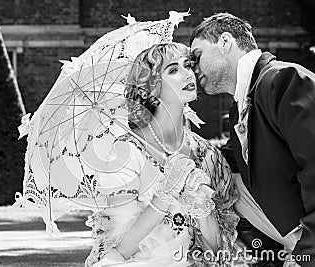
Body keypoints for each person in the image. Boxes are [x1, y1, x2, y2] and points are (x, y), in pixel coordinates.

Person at [85, 43, 241, 267]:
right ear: (151, 88)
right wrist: (165, 196)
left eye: (187, 65)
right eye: (173, 70)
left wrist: (202, 207)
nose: (188, 73)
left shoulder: (208, 155)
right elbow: (117, 251)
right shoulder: (125, 153)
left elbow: (219, 251)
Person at [190, 13, 315, 267]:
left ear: (224, 42)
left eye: (197, 56)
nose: (193, 67)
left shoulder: (285, 80)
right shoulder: (240, 107)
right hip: (289, 243)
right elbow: (228, 168)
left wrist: (308, 253)